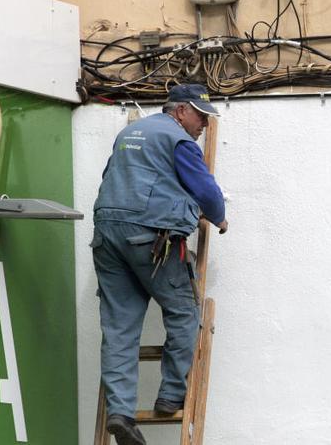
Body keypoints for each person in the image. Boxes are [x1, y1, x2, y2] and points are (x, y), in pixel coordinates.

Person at [91, 84, 228, 445]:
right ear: (180, 111)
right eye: (200, 116)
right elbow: (206, 190)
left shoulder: (128, 133)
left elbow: (110, 177)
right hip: (150, 238)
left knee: (119, 327)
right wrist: (220, 218)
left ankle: (120, 413)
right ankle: (170, 396)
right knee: (184, 311)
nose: (203, 125)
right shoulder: (178, 139)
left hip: (107, 235)